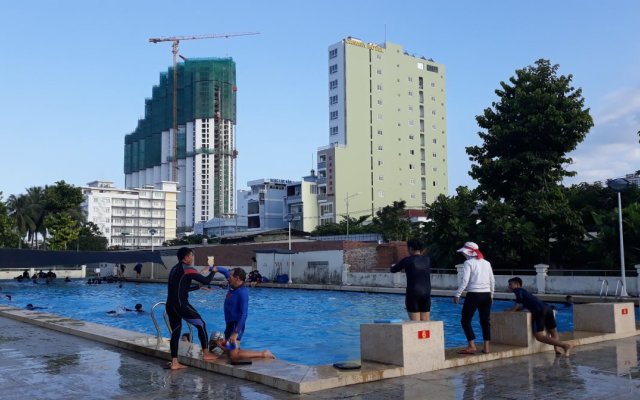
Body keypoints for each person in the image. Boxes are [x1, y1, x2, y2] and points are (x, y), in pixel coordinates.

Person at [166, 247, 217, 370]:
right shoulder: (187, 268)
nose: (192, 257)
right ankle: (206, 354)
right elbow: (206, 280)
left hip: (170, 305)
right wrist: (214, 271)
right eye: (191, 255)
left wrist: (198, 287)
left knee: (176, 332)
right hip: (180, 305)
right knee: (201, 324)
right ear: (186, 257)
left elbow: (183, 288)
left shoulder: (174, 269)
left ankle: (174, 362)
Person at [507, 277, 572, 355]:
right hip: (548, 308)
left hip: (539, 311)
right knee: (553, 331)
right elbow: (525, 304)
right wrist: (516, 309)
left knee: (539, 336)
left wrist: (512, 310)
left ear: (517, 284)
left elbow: (518, 300)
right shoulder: (526, 292)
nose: (509, 286)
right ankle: (557, 349)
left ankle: (565, 345)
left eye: (510, 284)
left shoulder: (517, 290)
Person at [454, 241, 495, 355]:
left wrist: (457, 294)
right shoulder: (487, 263)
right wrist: (491, 295)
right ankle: (486, 347)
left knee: (465, 320)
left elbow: (465, 280)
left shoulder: (468, 263)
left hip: (474, 294)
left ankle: (472, 346)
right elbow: (492, 280)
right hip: (486, 295)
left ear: (468, 252)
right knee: (485, 321)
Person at [211, 266, 251, 363]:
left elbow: (244, 314)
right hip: (229, 324)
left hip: (236, 325)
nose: (228, 277)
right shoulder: (232, 286)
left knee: (233, 356)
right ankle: (226, 346)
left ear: (237, 278)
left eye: (231, 276)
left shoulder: (242, 293)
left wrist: (236, 332)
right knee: (230, 353)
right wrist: (212, 268)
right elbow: (224, 271)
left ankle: (264, 354)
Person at [389, 238, 432, 321]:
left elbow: (393, 270)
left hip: (413, 294)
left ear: (411, 248)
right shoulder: (427, 259)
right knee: (426, 323)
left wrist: (393, 265)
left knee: (415, 324)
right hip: (426, 293)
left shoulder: (407, 260)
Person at [208, 331, 275, 363]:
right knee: (236, 353)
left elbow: (226, 351)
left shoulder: (226, 343)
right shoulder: (222, 343)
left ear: (221, 340)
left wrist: (219, 346)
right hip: (234, 336)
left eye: (215, 342)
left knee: (235, 356)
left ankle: (264, 354)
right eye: (213, 342)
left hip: (234, 336)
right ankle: (263, 353)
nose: (214, 344)